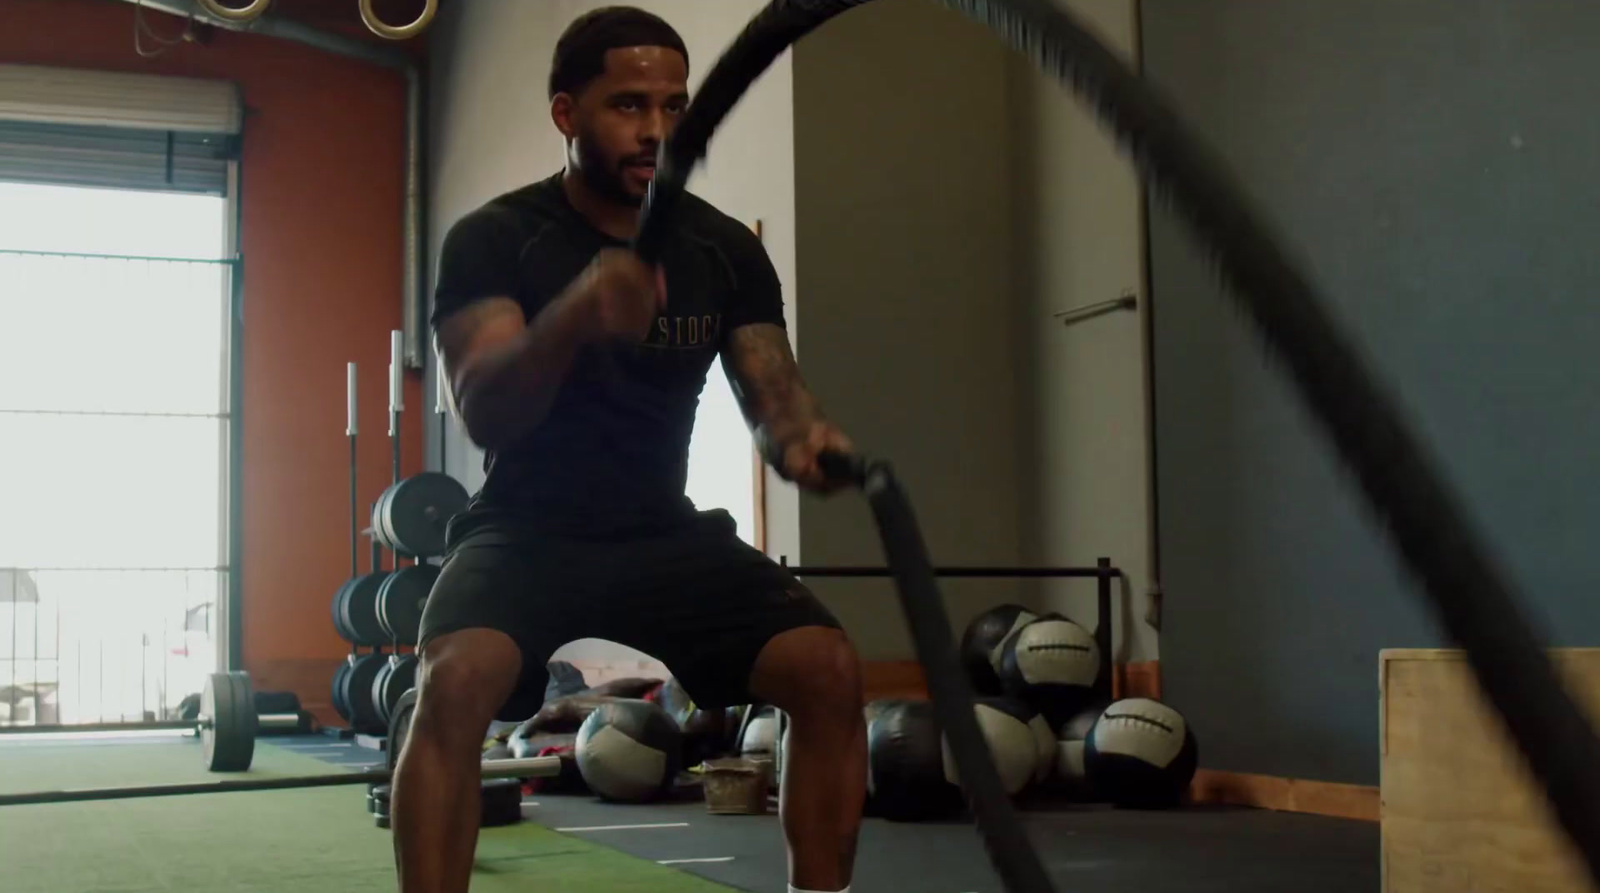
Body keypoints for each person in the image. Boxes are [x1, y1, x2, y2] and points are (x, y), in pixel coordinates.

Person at [390, 7, 867, 893]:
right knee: (454, 683)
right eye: (629, 105)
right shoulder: (497, 237)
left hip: (661, 532)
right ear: (567, 113)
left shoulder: (720, 249)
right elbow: (487, 412)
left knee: (827, 667)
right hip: (527, 529)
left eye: (676, 106)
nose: (656, 130)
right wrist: (573, 315)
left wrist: (807, 441)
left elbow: (776, 403)